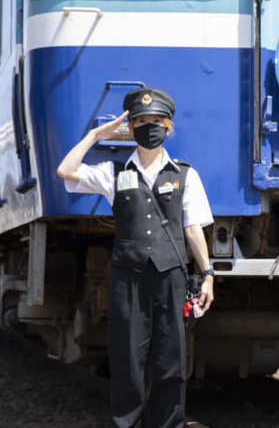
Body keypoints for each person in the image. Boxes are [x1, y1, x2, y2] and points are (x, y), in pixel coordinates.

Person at [56, 87, 214, 428]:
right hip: (128, 279)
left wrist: (209, 273)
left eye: (156, 121)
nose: (149, 127)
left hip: (171, 276)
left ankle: (168, 424)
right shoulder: (113, 173)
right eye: (141, 121)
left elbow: (193, 229)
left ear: (168, 127)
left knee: (171, 359)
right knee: (128, 360)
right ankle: (128, 424)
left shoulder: (185, 174)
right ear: (131, 129)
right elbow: (65, 171)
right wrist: (96, 135)